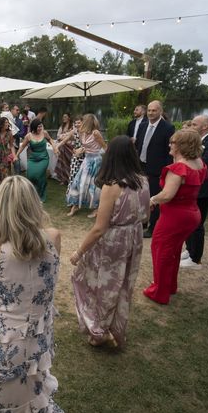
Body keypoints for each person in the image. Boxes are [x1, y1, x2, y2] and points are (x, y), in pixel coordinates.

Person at [0, 175, 71, 413]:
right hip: (38, 337)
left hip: (3, 341)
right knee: (31, 395)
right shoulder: (54, 237)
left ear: (0, 208)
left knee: (2, 404)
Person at [70, 136, 150, 347]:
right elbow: (146, 216)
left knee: (99, 285)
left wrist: (79, 252)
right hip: (134, 238)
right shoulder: (143, 180)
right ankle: (113, 327)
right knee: (123, 285)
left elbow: (99, 228)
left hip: (113, 242)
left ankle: (100, 331)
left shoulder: (112, 186)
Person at [144, 129, 207, 305]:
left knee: (161, 249)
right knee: (173, 250)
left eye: (173, 142)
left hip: (175, 215)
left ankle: (159, 291)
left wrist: (152, 199)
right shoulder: (199, 163)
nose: (170, 145)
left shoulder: (179, 168)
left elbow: (167, 195)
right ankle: (169, 285)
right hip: (191, 213)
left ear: (182, 145)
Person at [180, 115, 208, 269]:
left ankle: (196, 259)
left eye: (194, 124)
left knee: (197, 223)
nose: (191, 126)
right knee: (189, 221)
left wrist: (195, 153)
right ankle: (190, 249)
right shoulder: (198, 141)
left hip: (205, 189)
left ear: (204, 127)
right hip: (196, 188)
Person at [136, 100, 175, 237]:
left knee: (153, 198)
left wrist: (165, 172)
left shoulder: (168, 128)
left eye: (154, 110)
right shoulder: (142, 125)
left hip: (157, 170)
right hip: (141, 166)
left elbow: (169, 152)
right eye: (149, 110)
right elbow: (138, 146)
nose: (151, 113)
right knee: (141, 196)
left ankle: (153, 227)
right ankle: (142, 222)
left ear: (160, 111)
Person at [66, 113, 107, 218]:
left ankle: (96, 208)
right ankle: (75, 205)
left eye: (83, 120)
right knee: (78, 182)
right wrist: (80, 150)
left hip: (96, 161)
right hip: (86, 160)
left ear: (87, 122)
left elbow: (104, 147)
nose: (81, 122)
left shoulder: (96, 133)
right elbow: (85, 147)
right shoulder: (82, 133)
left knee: (94, 186)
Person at [16, 118, 58, 202]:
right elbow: (23, 146)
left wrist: (54, 147)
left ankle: (41, 196)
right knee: (30, 175)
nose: (40, 128)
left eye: (41, 126)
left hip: (43, 158)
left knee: (39, 175)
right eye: (38, 127)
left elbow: (50, 140)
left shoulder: (44, 133)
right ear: (34, 127)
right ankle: (32, 194)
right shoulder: (29, 136)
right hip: (33, 158)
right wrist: (16, 155)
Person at [54, 112, 73, 185]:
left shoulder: (72, 126)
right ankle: (63, 178)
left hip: (70, 146)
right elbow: (58, 136)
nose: (64, 118)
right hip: (63, 146)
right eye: (63, 117)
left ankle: (69, 178)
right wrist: (63, 136)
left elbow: (71, 136)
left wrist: (64, 136)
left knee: (68, 162)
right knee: (62, 160)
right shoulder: (62, 126)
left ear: (69, 118)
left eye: (65, 117)